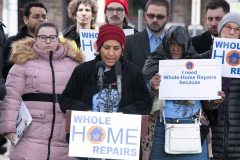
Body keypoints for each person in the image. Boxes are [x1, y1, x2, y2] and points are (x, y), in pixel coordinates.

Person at [59, 24, 152, 159]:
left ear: (122, 49)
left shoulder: (133, 72)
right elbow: (65, 100)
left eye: (116, 48)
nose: (111, 53)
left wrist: (123, 113)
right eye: (106, 47)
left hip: (122, 147)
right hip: (89, 146)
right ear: (98, 47)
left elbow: (146, 103)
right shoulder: (83, 70)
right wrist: (86, 111)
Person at [0, 22, 84, 160]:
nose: (48, 41)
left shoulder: (74, 65)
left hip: (63, 136)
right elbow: (11, 98)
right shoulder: (22, 64)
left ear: (58, 38)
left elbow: (82, 98)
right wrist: (8, 129)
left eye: (52, 37)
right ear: (36, 38)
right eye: (43, 37)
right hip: (29, 135)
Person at [141, 25, 225, 160]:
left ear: (186, 45)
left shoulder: (198, 64)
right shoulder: (154, 63)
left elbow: (207, 104)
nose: (175, 48)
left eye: (180, 44)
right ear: (166, 43)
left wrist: (215, 101)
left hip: (194, 127)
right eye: (172, 44)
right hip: (160, 130)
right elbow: (141, 100)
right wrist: (152, 87)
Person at [207, 12, 240, 159]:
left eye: (237, 29)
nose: (232, 32)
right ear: (220, 30)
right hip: (212, 139)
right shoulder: (205, 59)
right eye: (228, 27)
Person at [2, 1, 48, 80]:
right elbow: (5, 72)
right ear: (26, 19)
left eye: (44, 17)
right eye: (36, 17)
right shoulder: (12, 42)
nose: (41, 20)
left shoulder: (53, 42)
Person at [123, 0, 170, 69]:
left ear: (167, 18)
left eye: (160, 16)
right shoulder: (129, 42)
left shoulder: (175, 43)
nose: (155, 20)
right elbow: (126, 74)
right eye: (151, 15)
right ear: (145, 15)